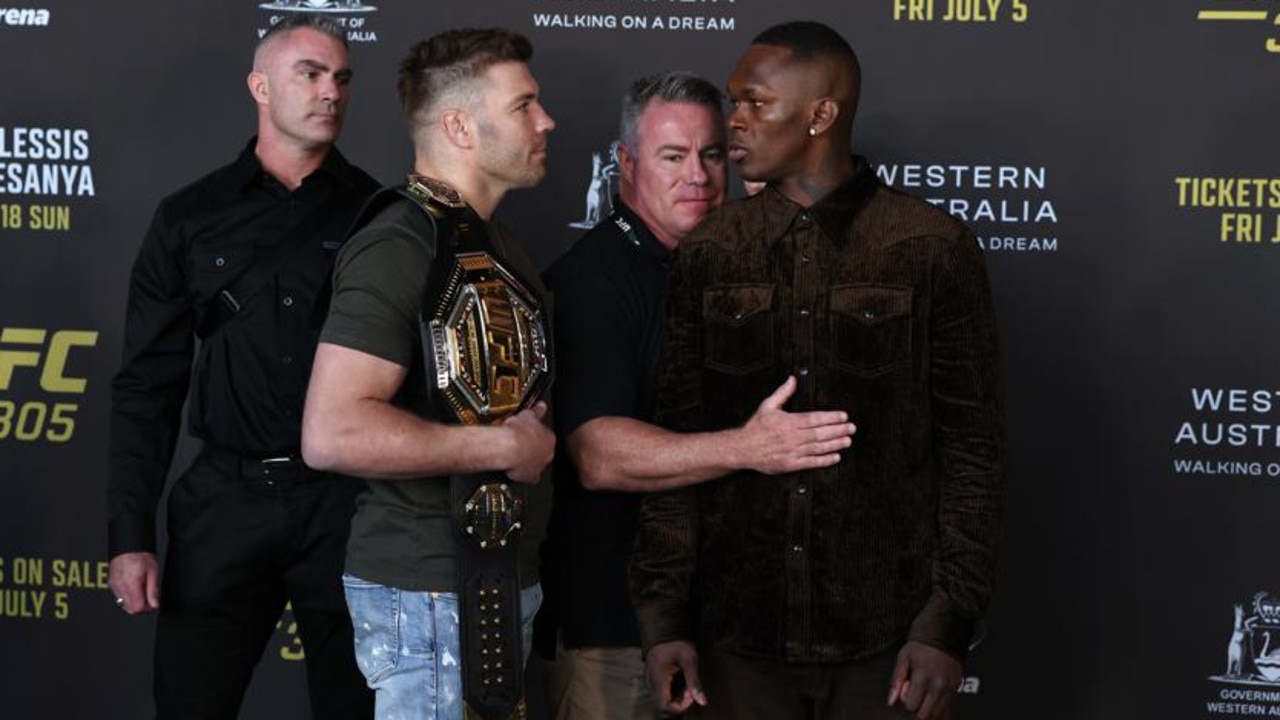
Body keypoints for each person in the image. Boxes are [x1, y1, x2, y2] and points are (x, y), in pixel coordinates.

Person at [630, 21, 1008, 720]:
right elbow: (677, 439)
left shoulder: (931, 247)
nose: (733, 121)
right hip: (734, 639)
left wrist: (947, 622)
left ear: (821, 114)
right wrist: (663, 619)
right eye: (733, 102)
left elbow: (974, 452)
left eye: (755, 103)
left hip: (887, 644)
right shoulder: (710, 251)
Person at [536, 71, 857, 720]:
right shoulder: (589, 283)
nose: (699, 177)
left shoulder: (735, 269)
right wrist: (748, 448)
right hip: (615, 630)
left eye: (712, 155)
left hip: (731, 625)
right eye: (673, 156)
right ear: (626, 164)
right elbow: (600, 456)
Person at [107, 14, 378, 720]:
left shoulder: (383, 215)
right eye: (311, 75)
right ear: (260, 86)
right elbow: (147, 386)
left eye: (342, 79)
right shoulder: (188, 217)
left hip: (349, 508)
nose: (331, 93)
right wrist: (130, 536)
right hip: (225, 501)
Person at [300, 28, 557, 720]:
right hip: (429, 598)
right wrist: (500, 447)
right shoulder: (399, 243)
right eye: (523, 106)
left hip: (488, 585)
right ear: (458, 126)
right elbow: (332, 430)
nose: (546, 121)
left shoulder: (492, 242)